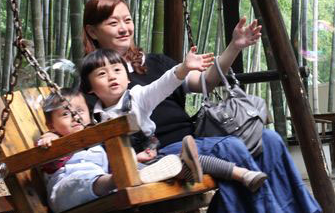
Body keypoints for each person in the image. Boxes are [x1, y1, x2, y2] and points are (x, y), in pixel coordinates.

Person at [82, 0, 322, 213]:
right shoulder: (94, 77)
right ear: (93, 31)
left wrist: (234, 46)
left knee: (268, 139)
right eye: (112, 22)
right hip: (158, 152)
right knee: (230, 148)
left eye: (127, 20)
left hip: (196, 136)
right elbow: (79, 123)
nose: (123, 28)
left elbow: (206, 81)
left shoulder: (155, 63)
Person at [79, 47, 269, 191]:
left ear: (128, 78)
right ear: (89, 88)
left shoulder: (138, 97)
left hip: (156, 153)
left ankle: (242, 174)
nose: (112, 76)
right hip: (133, 166)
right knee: (179, 162)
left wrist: (184, 68)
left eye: (117, 70)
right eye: (102, 74)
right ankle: (178, 168)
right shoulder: (94, 119)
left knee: (188, 160)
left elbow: (163, 85)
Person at [40, 89, 189, 213]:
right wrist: (50, 138)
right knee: (80, 181)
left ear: (89, 114)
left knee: (128, 169)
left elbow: (110, 165)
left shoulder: (96, 141)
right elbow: (49, 163)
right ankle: (121, 178)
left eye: (79, 111)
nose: (74, 117)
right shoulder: (54, 141)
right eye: (65, 114)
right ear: (51, 125)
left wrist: (135, 159)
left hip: (103, 187)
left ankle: (176, 170)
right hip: (64, 193)